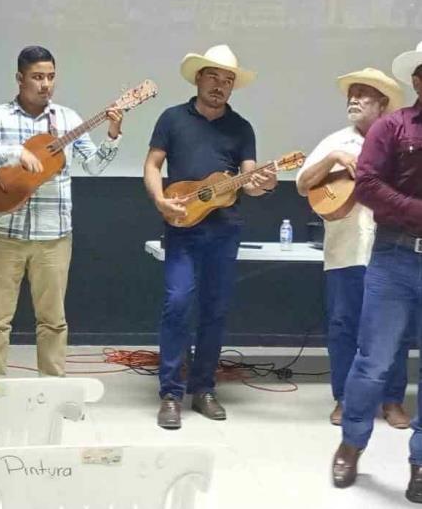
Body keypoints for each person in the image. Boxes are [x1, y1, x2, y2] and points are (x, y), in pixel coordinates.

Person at [0, 45, 124, 379]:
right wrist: (15, 154)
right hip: (3, 233)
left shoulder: (67, 119)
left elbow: (93, 167)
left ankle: (51, 393)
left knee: (53, 321)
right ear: (19, 78)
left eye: (51, 77)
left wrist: (112, 135)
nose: (46, 84)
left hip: (54, 236)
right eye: (38, 77)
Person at [143, 44, 276, 430]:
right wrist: (160, 201)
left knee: (215, 313)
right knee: (178, 303)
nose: (221, 86)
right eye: (214, 77)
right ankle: (170, 393)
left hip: (224, 230)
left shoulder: (242, 127)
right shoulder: (172, 118)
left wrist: (264, 184)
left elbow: (249, 181)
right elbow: (153, 165)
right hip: (182, 226)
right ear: (198, 78)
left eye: (228, 80)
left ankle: (203, 389)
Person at [331, 41, 422, 503]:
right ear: (418, 80)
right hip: (396, 256)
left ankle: (420, 462)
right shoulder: (392, 125)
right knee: (374, 362)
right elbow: (366, 183)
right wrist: (416, 212)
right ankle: (352, 442)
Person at [296, 68, 409, 428]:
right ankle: (344, 399)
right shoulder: (335, 141)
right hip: (344, 251)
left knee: (394, 328)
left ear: (383, 104)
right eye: (351, 94)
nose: (354, 99)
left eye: (363, 94)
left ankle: (392, 400)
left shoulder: (399, 142)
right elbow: (302, 184)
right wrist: (332, 161)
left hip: (390, 251)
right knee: (343, 325)